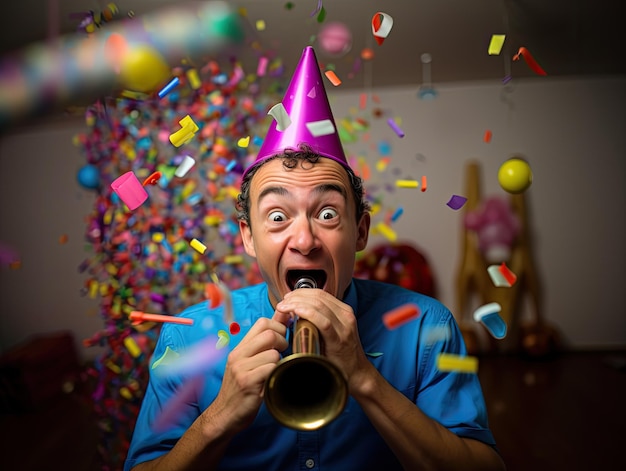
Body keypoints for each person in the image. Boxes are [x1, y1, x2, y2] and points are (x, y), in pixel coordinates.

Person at [125, 46, 505, 471]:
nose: (305, 241)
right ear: (248, 238)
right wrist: (219, 417)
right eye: (277, 216)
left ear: (359, 232)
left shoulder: (426, 327)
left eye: (327, 214)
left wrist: (363, 378)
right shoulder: (187, 338)